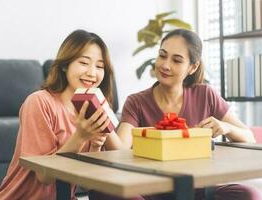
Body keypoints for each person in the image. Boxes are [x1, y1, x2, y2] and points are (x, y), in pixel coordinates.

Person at [89, 29, 260, 200]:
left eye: (177, 60)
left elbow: (249, 138)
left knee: (248, 194)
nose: (165, 65)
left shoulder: (205, 95)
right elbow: (120, 150)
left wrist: (226, 127)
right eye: (162, 55)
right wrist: (103, 119)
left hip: (197, 188)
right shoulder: (136, 102)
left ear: (193, 67)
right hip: (150, 190)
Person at [0, 29, 120, 200]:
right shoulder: (39, 102)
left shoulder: (91, 110)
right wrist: (80, 136)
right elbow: (44, 177)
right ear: (65, 65)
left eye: (100, 66)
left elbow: (85, 185)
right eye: (84, 62)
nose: (92, 73)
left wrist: (95, 146)